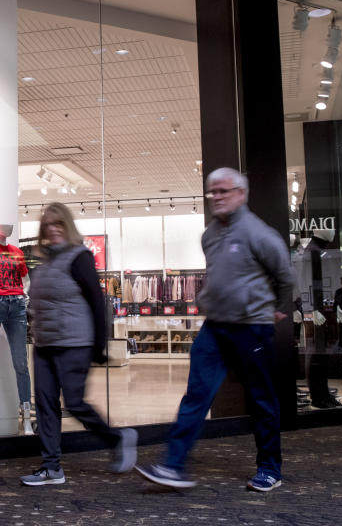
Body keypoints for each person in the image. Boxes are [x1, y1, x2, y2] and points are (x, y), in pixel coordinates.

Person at [136, 167, 295, 492]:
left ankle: (270, 468)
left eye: (223, 191)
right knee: (196, 394)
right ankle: (173, 466)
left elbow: (286, 277)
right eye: (213, 192)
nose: (217, 198)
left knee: (261, 398)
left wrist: (276, 309)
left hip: (251, 327)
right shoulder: (209, 235)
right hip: (215, 328)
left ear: (241, 193)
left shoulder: (259, 234)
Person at [19, 202, 137, 485]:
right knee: (46, 404)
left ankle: (119, 437)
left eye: (59, 224)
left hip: (75, 343)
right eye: (48, 225)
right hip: (45, 344)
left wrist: (98, 345)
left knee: (74, 403)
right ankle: (52, 467)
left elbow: (98, 302)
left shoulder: (79, 256)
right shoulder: (45, 262)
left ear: (67, 226)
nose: (53, 229)